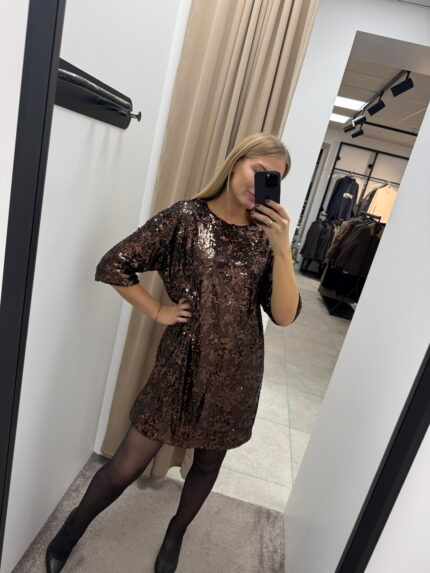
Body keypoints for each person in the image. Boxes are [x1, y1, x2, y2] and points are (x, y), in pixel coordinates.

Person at [45, 132, 302, 573]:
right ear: (235, 163)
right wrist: (158, 310)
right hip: (179, 366)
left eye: (273, 179)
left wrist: (283, 251)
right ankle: (72, 528)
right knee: (125, 465)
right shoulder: (185, 218)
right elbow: (114, 264)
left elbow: (283, 316)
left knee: (207, 465)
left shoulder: (267, 239)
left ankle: (176, 533)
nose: (261, 183)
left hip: (237, 373)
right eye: (258, 170)